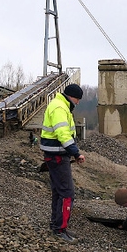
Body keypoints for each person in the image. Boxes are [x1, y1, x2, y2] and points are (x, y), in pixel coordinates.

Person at [40, 83, 85, 243]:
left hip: (54, 155)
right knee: (67, 193)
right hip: (57, 155)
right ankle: (60, 230)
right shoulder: (60, 107)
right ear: (72, 96)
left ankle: (57, 225)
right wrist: (76, 152)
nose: (78, 103)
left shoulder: (59, 105)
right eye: (77, 99)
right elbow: (62, 133)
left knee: (59, 192)